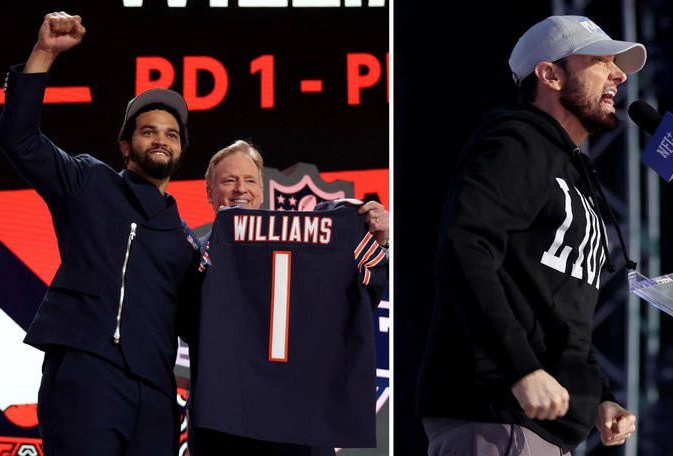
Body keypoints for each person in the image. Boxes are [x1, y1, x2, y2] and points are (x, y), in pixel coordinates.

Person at [416, 15, 645, 455]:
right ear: (549, 75)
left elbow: (561, 307)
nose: (618, 74)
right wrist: (519, 368)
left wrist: (599, 396)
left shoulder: (572, 174)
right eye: (600, 61)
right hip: (494, 416)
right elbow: (464, 249)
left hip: (543, 431)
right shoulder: (516, 144)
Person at [0, 12, 200, 455]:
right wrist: (44, 53)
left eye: (171, 134)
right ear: (126, 145)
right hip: (88, 372)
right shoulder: (89, 182)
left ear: (182, 150)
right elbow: (20, 141)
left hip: (157, 395)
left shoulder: (186, 243)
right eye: (148, 131)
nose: (161, 139)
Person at [186, 140, 389, 455]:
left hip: (299, 423)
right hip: (225, 423)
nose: (241, 188)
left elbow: (361, 295)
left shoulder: (310, 245)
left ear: (262, 191)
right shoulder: (193, 253)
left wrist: (378, 240)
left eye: (250, 180)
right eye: (229, 180)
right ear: (210, 193)